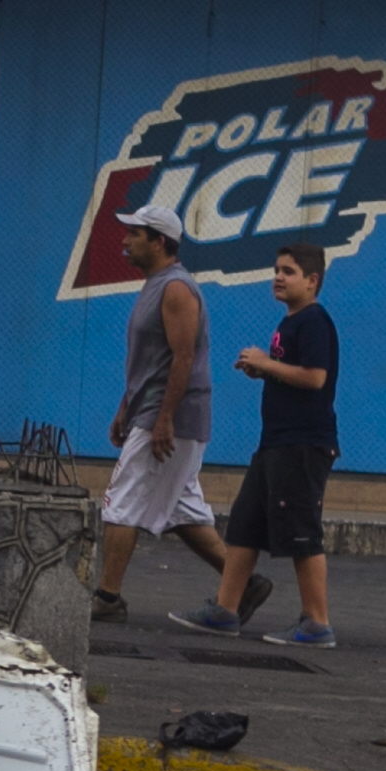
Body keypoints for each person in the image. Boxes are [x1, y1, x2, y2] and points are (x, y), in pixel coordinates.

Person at [89, 199, 262, 626]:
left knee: (121, 502)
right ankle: (246, 584)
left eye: (135, 234)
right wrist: (124, 407)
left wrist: (163, 418)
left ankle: (108, 597)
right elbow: (152, 360)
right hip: (151, 412)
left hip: (169, 419)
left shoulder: (176, 289)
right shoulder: (155, 284)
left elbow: (183, 358)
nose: (125, 241)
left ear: (160, 242)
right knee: (183, 511)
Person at [174, 243, 340, 648]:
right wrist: (262, 372)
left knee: (302, 533)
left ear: (312, 281)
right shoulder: (290, 322)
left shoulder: (315, 321)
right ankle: (225, 610)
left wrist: (266, 364)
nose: (279, 277)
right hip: (274, 444)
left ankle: (317, 623)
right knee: (245, 526)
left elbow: (316, 377)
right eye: (277, 270)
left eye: (289, 271)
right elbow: (292, 374)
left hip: (302, 446)